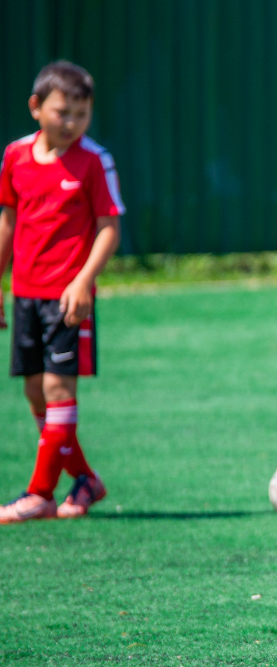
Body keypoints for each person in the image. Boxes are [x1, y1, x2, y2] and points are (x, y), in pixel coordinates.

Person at [0, 61, 124, 524]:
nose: (71, 123)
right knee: (35, 391)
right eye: (62, 112)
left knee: (57, 388)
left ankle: (39, 493)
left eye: (81, 114)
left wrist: (81, 281)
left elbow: (109, 227)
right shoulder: (15, 156)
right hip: (25, 292)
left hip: (69, 298)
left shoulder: (94, 161)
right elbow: (9, 221)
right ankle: (86, 479)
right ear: (36, 108)